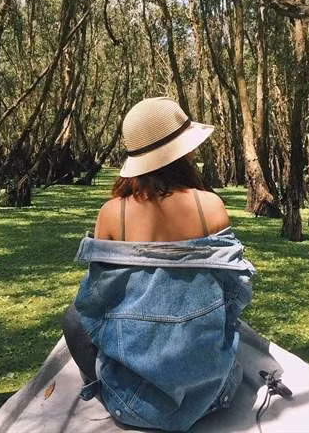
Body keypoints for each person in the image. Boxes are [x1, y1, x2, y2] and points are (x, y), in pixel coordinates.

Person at [64, 97, 256, 432]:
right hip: (214, 395)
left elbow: (95, 304)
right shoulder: (210, 206)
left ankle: (107, 384)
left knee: (72, 317)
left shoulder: (111, 214)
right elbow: (235, 296)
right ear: (184, 152)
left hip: (128, 404)